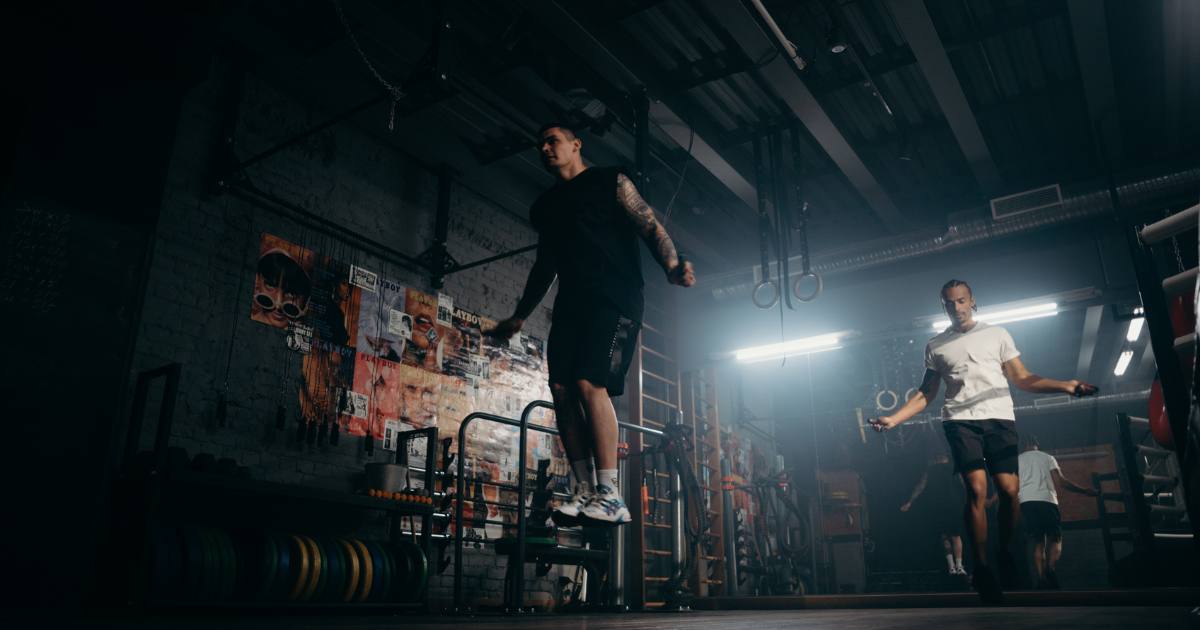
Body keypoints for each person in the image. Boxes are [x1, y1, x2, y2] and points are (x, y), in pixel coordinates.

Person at [484, 123, 695, 525]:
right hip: (571, 304)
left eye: (553, 140)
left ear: (576, 145)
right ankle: (582, 488)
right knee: (562, 390)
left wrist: (671, 264)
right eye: (540, 143)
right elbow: (545, 266)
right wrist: (519, 316)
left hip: (616, 298)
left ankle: (610, 493)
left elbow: (649, 224)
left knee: (587, 383)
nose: (545, 148)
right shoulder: (544, 207)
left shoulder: (609, 181)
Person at [869, 279, 1097, 603]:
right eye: (950, 303)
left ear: (972, 301)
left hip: (999, 419)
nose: (957, 308)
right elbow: (926, 393)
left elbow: (1022, 377)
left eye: (962, 301)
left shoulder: (997, 335)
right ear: (944, 307)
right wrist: (894, 418)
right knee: (976, 489)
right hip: (960, 421)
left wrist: (1065, 385)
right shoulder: (936, 345)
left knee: (1009, 491)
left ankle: (1003, 551)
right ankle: (983, 567)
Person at [1018, 433, 1097, 589]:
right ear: (1037, 443)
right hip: (1047, 500)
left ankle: (1041, 579)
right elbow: (1062, 482)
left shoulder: (1017, 460)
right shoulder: (1047, 458)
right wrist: (1084, 491)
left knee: (1038, 541)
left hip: (1026, 502)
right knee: (1056, 538)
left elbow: (1011, 485)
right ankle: (1050, 569)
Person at [901, 448, 968, 578]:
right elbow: (964, 484)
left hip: (942, 506)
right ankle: (956, 567)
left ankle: (954, 567)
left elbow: (920, 487)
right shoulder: (948, 468)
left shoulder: (934, 470)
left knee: (947, 536)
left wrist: (910, 502)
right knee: (954, 536)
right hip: (951, 505)